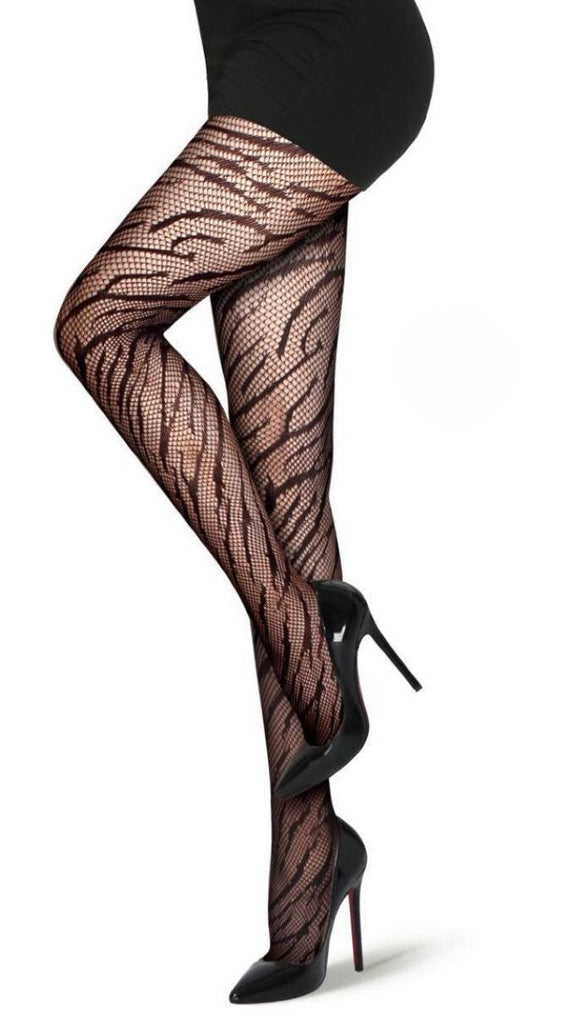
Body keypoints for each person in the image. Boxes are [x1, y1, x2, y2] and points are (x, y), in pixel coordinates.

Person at [54, 0, 434, 1003]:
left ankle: (312, 630)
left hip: (329, 61)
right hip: (261, 76)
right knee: (279, 497)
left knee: (99, 325)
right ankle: (309, 883)